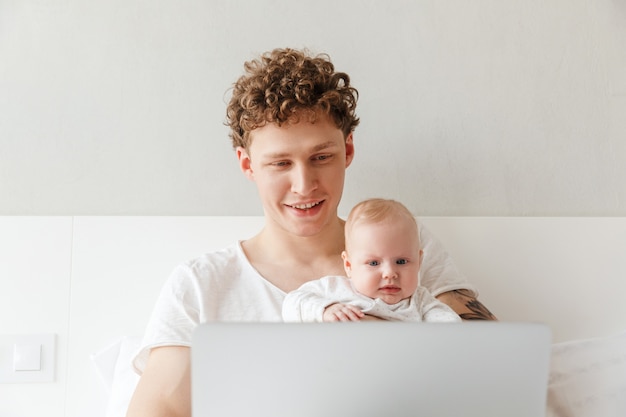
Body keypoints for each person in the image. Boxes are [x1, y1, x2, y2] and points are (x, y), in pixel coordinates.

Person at [126, 47, 496, 417]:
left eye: (321, 157)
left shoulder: (400, 247)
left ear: (347, 149)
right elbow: (159, 408)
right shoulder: (201, 285)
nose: (304, 185)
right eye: (280, 163)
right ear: (247, 164)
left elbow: (492, 369)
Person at [282, 198, 461, 323]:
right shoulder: (335, 290)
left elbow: (450, 331)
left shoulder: (421, 301)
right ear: (349, 265)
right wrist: (326, 309)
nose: (390, 273)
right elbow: (291, 304)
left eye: (401, 262)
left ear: (419, 262)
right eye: (374, 263)